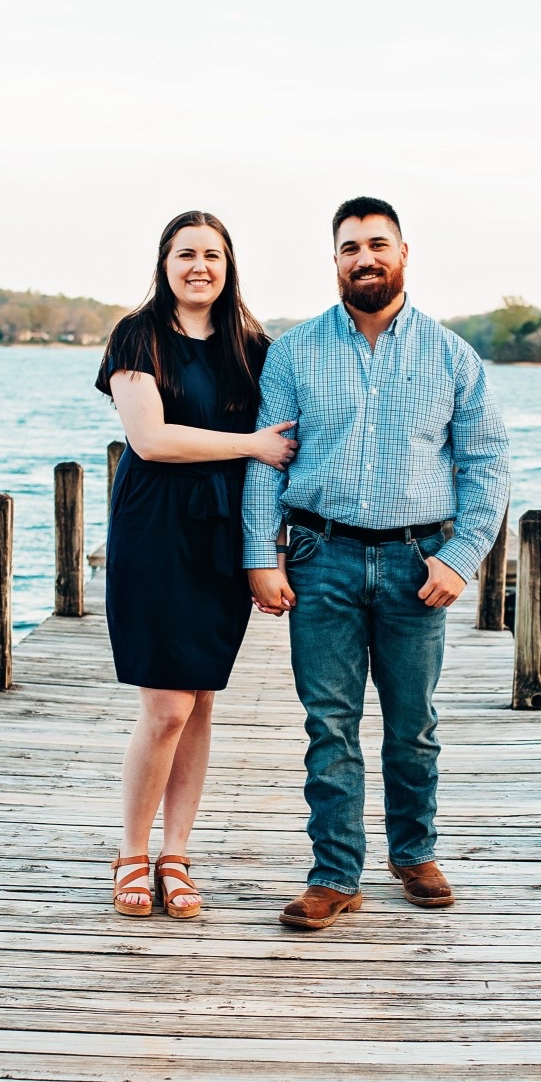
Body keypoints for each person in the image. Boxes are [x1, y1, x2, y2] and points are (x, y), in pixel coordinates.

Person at [242, 197, 510, 930]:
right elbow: (268, 464)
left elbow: (487, 465)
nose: (365, 257)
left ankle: (414, 852)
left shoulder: (453, 357)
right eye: (350, 246)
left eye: (377, 244)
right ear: (334, 260)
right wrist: (259, 558)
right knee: (329, 724)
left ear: (403, 254)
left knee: (412, 724)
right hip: (318, 557)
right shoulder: (294, 353)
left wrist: (460, 557)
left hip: (415, 563)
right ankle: (335, 873)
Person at [96, 211, 297, 918]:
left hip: (221, 538)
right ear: (165, 262)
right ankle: (130, 853)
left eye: (212, 255)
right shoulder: (137, 335)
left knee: (201, 699)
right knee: (165, 707)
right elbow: (149, 440)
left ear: (228, 264)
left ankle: (176, 854)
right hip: (154, 535)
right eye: (186, 254)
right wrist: (248, 446)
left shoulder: (253, 348)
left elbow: (289, 441)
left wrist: (268, 550)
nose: (199, 267)